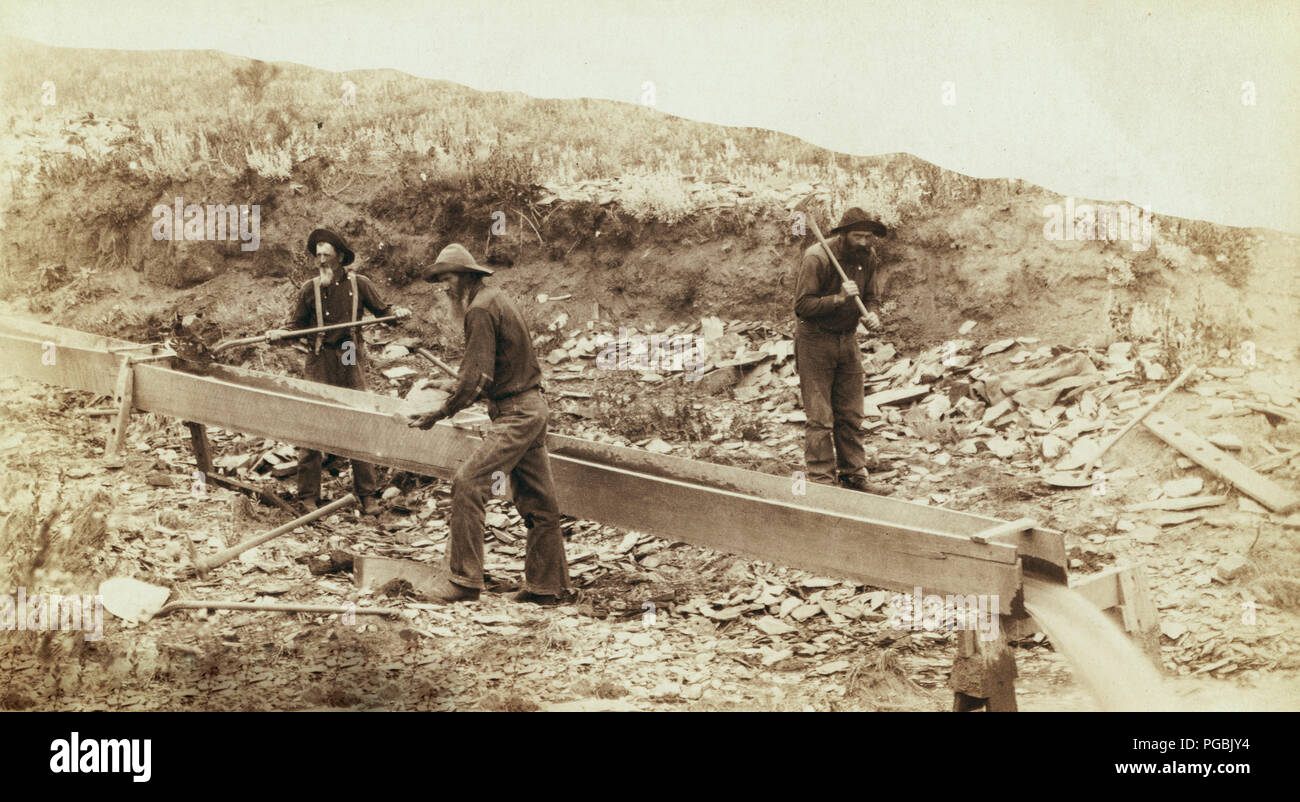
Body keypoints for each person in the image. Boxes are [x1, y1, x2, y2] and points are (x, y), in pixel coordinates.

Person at [407, 244, 570, 604]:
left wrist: (438, 412)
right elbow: (494, 369)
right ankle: (548, 588)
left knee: (469, 482)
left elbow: (477, 377)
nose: (444, 288)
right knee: (539, 503)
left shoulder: (478, 310)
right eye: (439, 282)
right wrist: (451, 385)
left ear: (466, 277)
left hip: (515, 415)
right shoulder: (496, 299)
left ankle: (463, 582)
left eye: (446, 279)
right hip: (531, 407)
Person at [268, 228, 410, 515]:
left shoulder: (360, 284)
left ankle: (367, 496)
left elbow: (384, 313)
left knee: (359, 423)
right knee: (313, 425)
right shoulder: (309, 289)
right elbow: (296, 327)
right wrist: (279, 333)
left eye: (326, 255)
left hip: (350, 358)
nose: (320, 260)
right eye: (317, 255)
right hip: (320, 360)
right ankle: (308, 497)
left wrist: (399, 314)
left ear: (341, 257)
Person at [793, 207, 888, 492]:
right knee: (821, 418)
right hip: (815, 341)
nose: (864, 241)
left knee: (850, 413)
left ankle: (853, 475)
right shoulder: (817, 257)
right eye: (858, 236)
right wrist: (838, 298)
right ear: (843, 235)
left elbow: (871, 297)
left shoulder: (867, 257)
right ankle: (822, 482)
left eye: (868, 236)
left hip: (847, 341)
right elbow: (802, 307)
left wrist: (872, 315)